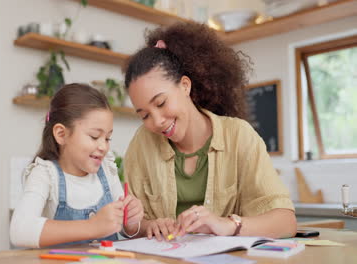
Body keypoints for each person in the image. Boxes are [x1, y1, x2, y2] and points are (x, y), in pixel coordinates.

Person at [123, 22, 296, 241]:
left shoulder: (239, 136)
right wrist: (149, 226)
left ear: (185, 86)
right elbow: (131, 226)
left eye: (161, 103)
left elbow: (285, 222)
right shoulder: (142, 143)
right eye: (144, 115)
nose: (156, 121)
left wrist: (227, 225)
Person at [10, 84, 143, 247]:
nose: (104, 146)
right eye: (95, 136)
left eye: (108, 138)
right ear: (61, 134)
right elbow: (20, 231)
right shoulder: (45, 174)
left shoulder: (107, 170)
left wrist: (130, 222)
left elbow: (120, 227)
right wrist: (92, 227)